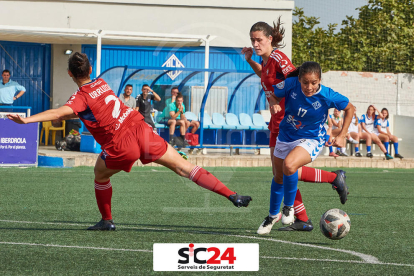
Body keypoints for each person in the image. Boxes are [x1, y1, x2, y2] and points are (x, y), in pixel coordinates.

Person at [7, 52, 252, 231]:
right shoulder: (101, 84)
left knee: (100, 174)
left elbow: (61, 112)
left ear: (70, 73)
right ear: (91, 71)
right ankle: (231, 195)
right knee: (184, 167)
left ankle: (107, 220)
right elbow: (82, 110)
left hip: (121, 143)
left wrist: (27, 121)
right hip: (141, 129)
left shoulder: (80, 96)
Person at [242, 20, 348, 234]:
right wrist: (249, 60)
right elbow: (264, 76)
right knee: (280, 174)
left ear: (270, 39)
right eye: (252, 40)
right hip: (277, 121)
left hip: (288, 120)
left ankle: (299, 208)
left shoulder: (279, 59)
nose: (255, 43)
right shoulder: (265, 61)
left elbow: (295, 79)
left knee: (288, 169)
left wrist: (308, 98)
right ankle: (303, 217)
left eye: (259, 40)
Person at [271, 61, 354, 226]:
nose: (309, 87)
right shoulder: (289, 83)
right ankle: (333, 178)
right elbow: (273, 94)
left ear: (320, 81)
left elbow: (350, 108)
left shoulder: (327, 95)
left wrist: (342, 134)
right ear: (299, 79)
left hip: (311, 138)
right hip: (286, 133)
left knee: (289, 167)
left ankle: (295, 213)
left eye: (314, 83)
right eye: (305, 82)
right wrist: (273, 103)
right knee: (281, 174)